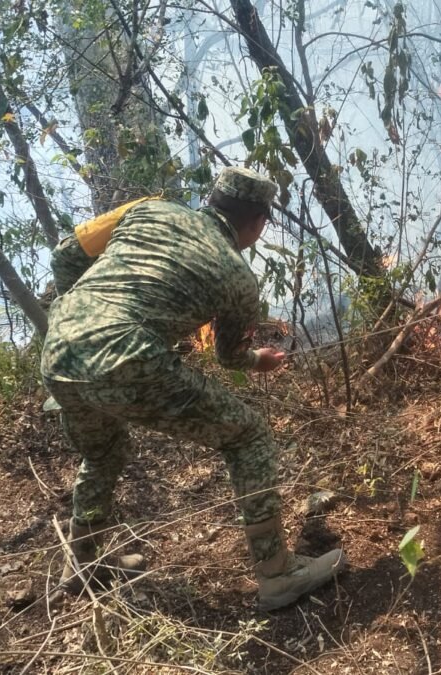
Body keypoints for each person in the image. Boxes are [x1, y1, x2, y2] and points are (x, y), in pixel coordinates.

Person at [41, 167, 346, 611]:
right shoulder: (238, 277)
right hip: (125, 355)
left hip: (58, 351)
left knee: (103, 453)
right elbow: (229, 356)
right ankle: (278, 574)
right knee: (249, 436)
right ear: (258, 223)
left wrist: (84, 314)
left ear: (211, 200)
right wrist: (257, 361)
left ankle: (83, 564)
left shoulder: (148, 209)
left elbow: (65, 254)